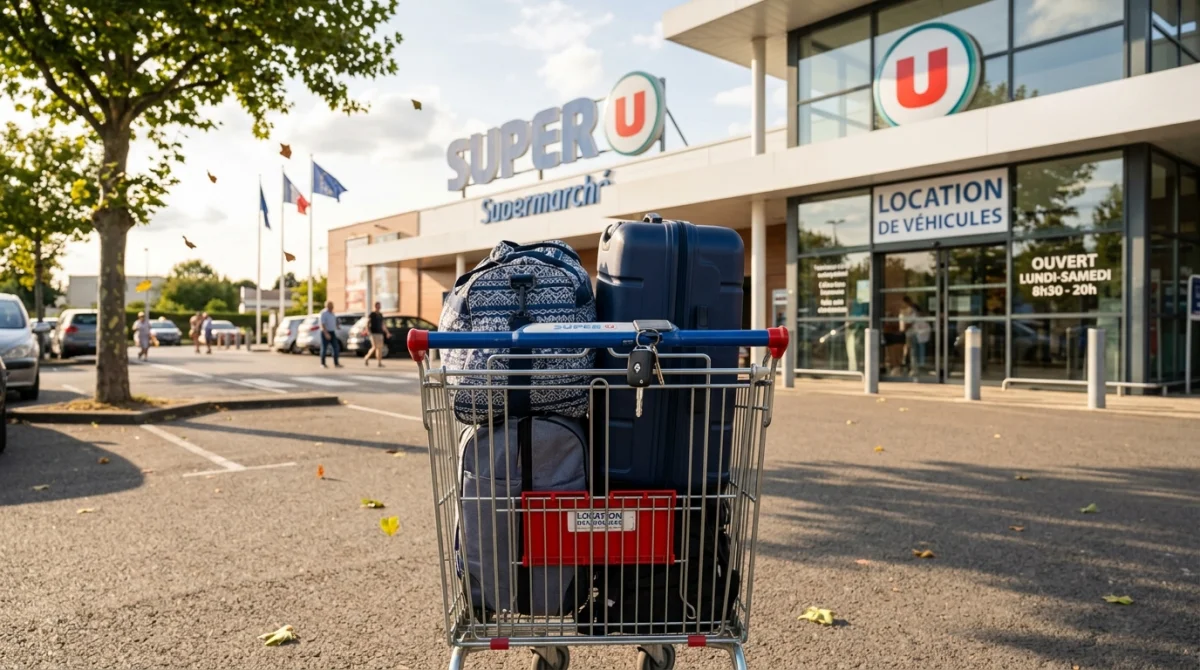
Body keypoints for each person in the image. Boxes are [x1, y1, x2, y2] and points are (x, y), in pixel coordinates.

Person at [364, 302, 390, 367]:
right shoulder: (372, 314)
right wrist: (368, 330)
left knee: (380, 348)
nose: (379, 307)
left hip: (380, 333)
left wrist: (387, 332)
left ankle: (379, 362)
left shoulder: (380, 315)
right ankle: (366, 357)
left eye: (379, 306)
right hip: (373, 333)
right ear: (375, 306)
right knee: (374, 347)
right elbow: (367, 323)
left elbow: (383, 325)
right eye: (378, 306)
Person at [319, 301, 342, 368]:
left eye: (332, 306)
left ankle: (336, 363)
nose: (332, 307)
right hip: (325, 332)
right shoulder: (323, 313)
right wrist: (326, 333)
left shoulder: (332, 313)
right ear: (327, 306)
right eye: (330, 306)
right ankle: (323, 363)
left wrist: (337, 326)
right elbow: (322, 324)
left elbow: (333, 321)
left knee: (335, 347)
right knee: (324, 348)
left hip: (332, 332)